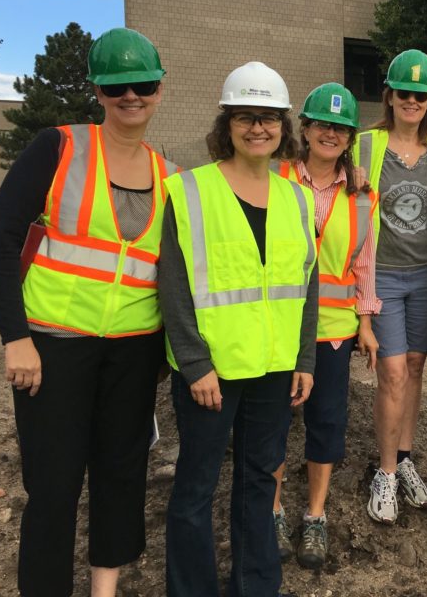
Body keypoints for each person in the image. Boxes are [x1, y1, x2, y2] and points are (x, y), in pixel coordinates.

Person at [0, 27, 176, 597]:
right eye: (118, 86)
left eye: (142, 84)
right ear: (98, 90)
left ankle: (104, 590)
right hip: (53, 348)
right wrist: (14, 337)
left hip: (133, 353)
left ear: (159, 88)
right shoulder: (59, 147)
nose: (131, 96)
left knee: (121, 476)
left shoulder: (168, 174)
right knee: (54, 485)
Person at [160, 62, 317, 597]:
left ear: (283, 127)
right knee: (195, 489)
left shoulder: (296, 197)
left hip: (274, 369)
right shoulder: (188, 191)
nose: (259, 128)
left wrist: (305, 358)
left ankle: (254, 586)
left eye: (269, 118)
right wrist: (195, 362)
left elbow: (306, 283)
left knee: (258, 483)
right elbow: (174, 286)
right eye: (246, 117)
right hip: (212, 372)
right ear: (226, 124)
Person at [351, 48, 427, 524]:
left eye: (421, 95)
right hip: (383, 276)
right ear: (390, 96)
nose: (412, 101)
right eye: (404, 93)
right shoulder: (364, 146)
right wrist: (347, 180)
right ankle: (385, 471)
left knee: (416, 367)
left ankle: (406, 457)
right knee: (391, 373)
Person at [272, 83, 380, 569]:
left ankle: (315, 516)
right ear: (305, 129)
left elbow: (364, 262)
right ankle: (272, 509)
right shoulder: (274, 177)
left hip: (334, 328)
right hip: (277, 323)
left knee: (328, 423)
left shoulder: (361, 193)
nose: (330, 134)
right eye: (322, 125)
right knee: (272, 423)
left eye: (340, 128)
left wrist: (366, 322)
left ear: (350, 136)